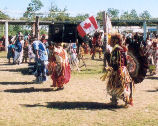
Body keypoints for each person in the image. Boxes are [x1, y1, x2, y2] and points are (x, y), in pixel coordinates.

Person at [101, 33, 134, 107]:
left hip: (118, 70)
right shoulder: (121, 48)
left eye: (111, 41)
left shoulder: (116, 49)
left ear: (114, 41)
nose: (110, 43)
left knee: (117, 86)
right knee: (120, 85)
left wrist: (108, 56)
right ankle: (122, 101)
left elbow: (114, 62)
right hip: (123, 70)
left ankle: (120, 101)